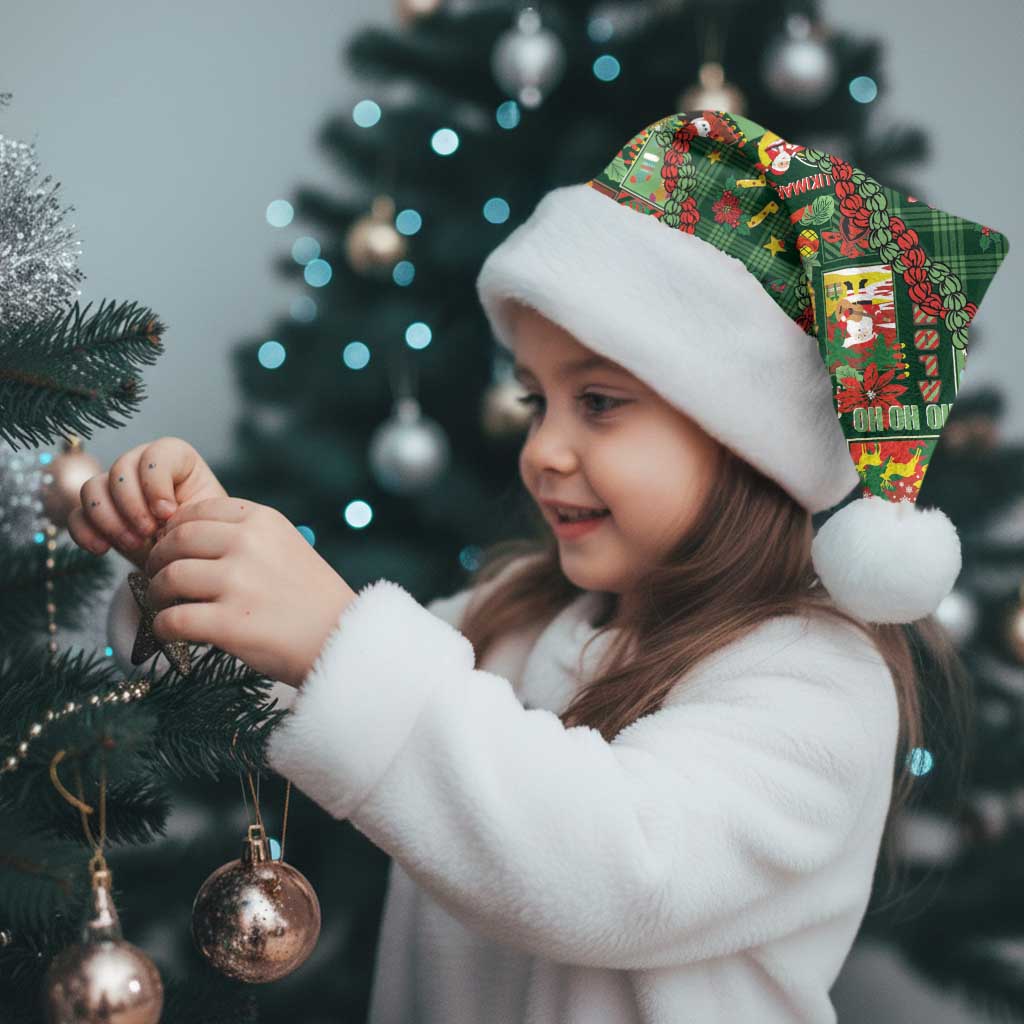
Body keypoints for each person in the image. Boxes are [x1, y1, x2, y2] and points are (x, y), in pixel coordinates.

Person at [74, 109, 1010, 1023]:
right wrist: (193, 563)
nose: (542, 451)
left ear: (746, 439)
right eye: (536, 401)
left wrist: (334, 637)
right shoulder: (516, 615)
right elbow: (304, 691)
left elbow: (616, 871)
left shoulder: (818, 682)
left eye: (598, 402)